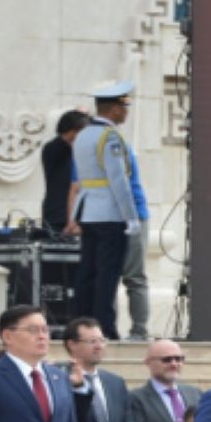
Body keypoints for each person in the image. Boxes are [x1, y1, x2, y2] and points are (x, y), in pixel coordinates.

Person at [70, 82, 141, 339]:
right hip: (109, 212)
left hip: (88, 209)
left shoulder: (83, 134)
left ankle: (80, 322)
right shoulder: (110, 136)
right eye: (124, 107)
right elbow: (118, 180)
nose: (126, 112)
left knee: (87, 270)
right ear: (113, 110)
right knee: (107, 274)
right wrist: (130, 217)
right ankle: (104, 327)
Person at [40, 109, 90, 234]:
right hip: (57, 217)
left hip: (83, 217)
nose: (74, 143)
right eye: (71, 140)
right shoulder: (52, 149)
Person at [121, 152, 153, 343]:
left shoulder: (116, 147)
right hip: (109, 218)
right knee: (107, 279)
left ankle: (139, 330)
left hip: (133, 216)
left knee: (134, 276)